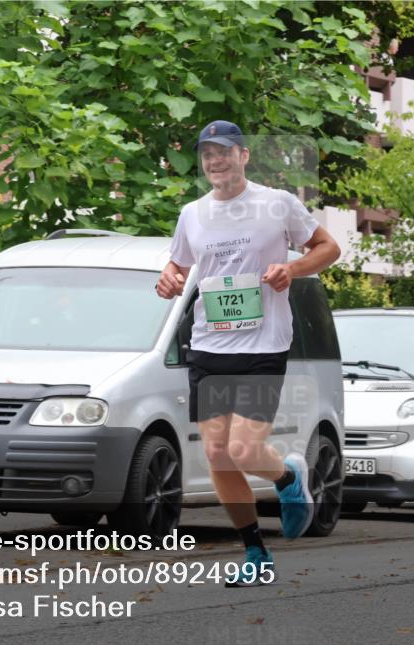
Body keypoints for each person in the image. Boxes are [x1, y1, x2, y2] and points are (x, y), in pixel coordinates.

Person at [155, 120, 341, 585]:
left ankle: (287, 479)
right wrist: (169, 278)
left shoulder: (277, 204)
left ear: (243, 156)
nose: (215, 161)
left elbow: (329, 247)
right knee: (218, 454)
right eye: (207, 155)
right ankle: (255, 549)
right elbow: (178, 264)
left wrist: (292, 269)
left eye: (224, 152)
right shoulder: (192, 214)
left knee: (243, 449)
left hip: (262, 345)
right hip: (208, 346)